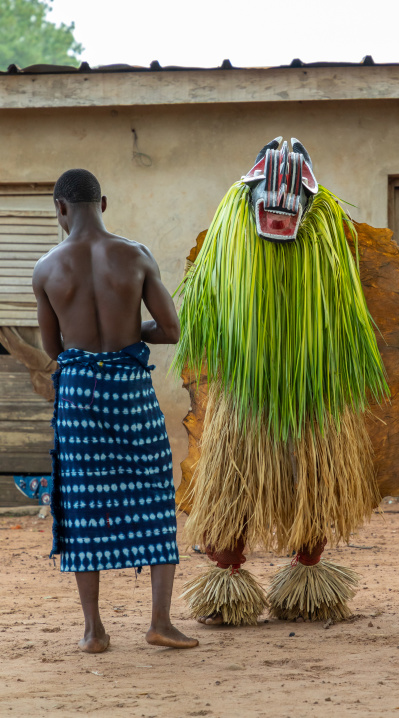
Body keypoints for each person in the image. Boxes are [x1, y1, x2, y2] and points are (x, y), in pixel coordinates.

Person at [32, 168, 198, 653]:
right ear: (102, 203)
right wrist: (130, 333)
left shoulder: (46, 269)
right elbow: (170, 331)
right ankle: (160, 623)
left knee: (83, 501)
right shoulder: (136, 255)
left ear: (60, 208)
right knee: (152, 493)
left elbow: (53, 350)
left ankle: (93, 631)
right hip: (129, 391)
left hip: (80, 396)